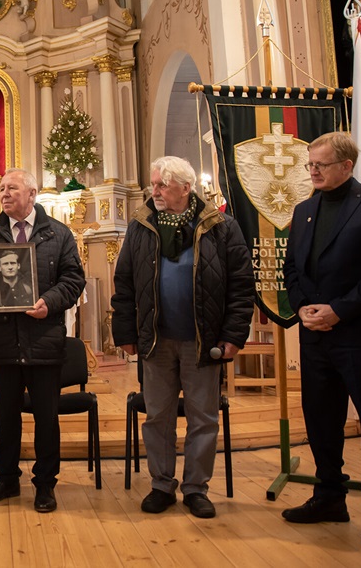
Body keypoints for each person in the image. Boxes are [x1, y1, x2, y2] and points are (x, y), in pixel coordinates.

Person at [282, 132, 361, 551]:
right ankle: (330, 496)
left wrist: (339, 309)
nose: (312, 171)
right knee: (320, 420)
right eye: (310, 165)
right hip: (315, 336)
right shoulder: (303, 211)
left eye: (321, 164)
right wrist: (302, 308)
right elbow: (291, 270)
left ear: (347, 166)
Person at [111, 156, 252, 519]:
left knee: (203, 417)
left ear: (185, 188)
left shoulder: (222, 226)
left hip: (203, 341)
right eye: (153, 184)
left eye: (161, 185)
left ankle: (195, 488)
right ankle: (161, 485)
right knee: (157, 416)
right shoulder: (141, 225)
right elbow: (124, 282)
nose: (153, 191)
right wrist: (125, 331)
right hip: (156, 341)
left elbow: (240, 285)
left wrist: (234, 334)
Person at [0, 169, 85, 513]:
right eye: (1, 188)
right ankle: (6, 479)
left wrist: (51, 302)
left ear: (32, 193)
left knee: (46, 416)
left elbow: (74, 279)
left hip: (44, 338)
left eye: (11, 188)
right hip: (3, 341)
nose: (3, 193)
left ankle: (45, 483)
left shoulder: (58, 234)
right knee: (6, 416)